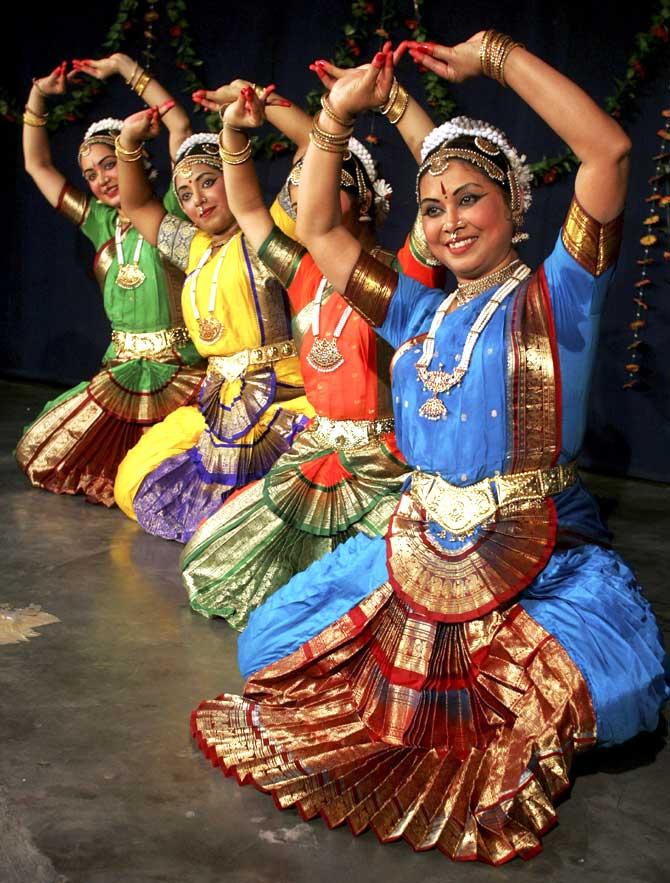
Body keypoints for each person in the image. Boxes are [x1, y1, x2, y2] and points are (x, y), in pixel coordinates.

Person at [191, 34, 669, 863]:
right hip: (418, 545)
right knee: (267, 642)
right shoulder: (415, 311)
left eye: (471, 199)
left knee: (609, 692)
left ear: (516, 205)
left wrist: (494, 58)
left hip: (537, 551)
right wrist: (337, 117)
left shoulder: (560, 293)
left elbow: (609, 149)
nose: (451, 222)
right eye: (435, 205)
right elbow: (316, 227)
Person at [179, 82, 445, 626]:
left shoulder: (403, 276)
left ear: (364, 200)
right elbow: (250, 209)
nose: (304, 202)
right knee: (214, 566)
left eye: (322, 192)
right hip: (316, 453)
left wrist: (392, 100)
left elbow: (436, 171)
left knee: (369, 606)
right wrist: (231, 130)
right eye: (299, 195)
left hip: (386, 465)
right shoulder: (304, 277)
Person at [112, 85, 312, 542]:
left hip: (282, 397)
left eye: (208, 181)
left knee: (265, 511)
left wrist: (259, 101)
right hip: (218, 403)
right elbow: (139, 204)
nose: (197, 200)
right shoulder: (194, 247)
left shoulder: (268, 232)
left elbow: (311, 145)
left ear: (233, 174)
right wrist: (127, 145)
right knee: (133, 479)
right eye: (184, 194)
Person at [16, 55, 203, 507]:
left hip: (180, 371)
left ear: (133, 154)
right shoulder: (98, 222)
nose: (101, 180)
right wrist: (38, 96)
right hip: (119, 372)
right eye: (91, 174)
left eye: (109, 164)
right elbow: (37, 166)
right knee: (41, 452)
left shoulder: (172, 215)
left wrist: (125, 68)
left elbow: (178, 123)